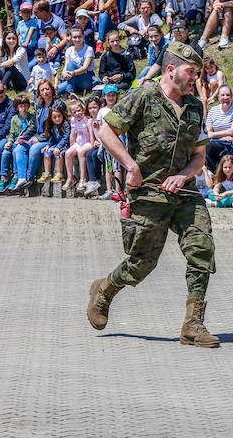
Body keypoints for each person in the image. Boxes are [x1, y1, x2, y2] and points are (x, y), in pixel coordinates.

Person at [85, 40, 219, 348]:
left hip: (185, 193)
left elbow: (199, 155)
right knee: (142, 263)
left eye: (198, 72)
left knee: (201, 248)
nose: (195, 78)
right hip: (148, 194)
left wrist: (184, 175)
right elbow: (106, 131)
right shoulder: (144, 97)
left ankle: (193, 324)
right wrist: (130, 166)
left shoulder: (195, 106)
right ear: (171, 70)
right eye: (191, 71)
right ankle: (105, 289)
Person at [0, 94, 34, 193]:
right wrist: (9, 142)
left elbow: (33, 133)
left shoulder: (32, 118)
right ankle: (3, 178)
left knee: (16, 151)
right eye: (21, 106)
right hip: (15, 142)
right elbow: (11, 133)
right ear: (17, 107)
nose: (23, 108)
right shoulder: (14, 119)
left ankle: (16, 176)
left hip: (26, 143)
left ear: (28, 106)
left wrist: (22, 140)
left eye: (25, 105)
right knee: (5, 152)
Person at [205, 86, 233, 172]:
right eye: (222, 95)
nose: (225, 97)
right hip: (217, 141)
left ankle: (217, 174)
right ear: (218, 96)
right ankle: (216, 174)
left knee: (209, 146)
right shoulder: (213, 110)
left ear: (231, 96)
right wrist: (221, 138)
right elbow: (208, 132)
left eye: (228, 95)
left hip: (232, 143)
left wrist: (213, 135)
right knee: (204, 146)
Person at [62, 98, 95, 192]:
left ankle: (83, 178)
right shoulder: (73, 120)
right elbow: (73, 135)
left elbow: (91, 134)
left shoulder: (88, 120)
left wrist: (92, 146)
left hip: (88, 142)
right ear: (72, 114)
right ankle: (70, 177)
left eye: (79, 110)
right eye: (74, 112)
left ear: (83, 110)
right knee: (68, 153)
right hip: (79, 142)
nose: (77, 113)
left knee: (81, 152)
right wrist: (73, 147)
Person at [35, 104, 70, 184]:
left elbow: (66, 137)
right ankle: (47, 174)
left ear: (63, 115)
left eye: (59, 116)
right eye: (54, 117)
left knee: (59, 152)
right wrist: (48, 145)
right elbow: (52, 138)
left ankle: (60, 173)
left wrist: (58, 147)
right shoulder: (53, 126)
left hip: (65, 144)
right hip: (57, 144)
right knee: (47, 152)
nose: (57, 119)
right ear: (51, 118)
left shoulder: (65, 124)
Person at [57, 28, 96, 96]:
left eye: (79, 37)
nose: (77, 39)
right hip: (72, 78)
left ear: (83, 36)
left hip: (86, 79)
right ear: (71, 38)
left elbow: (85, 68)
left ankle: (69, 91)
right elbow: (65, 67)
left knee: (71, 64)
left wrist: (73, 73)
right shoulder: (69, 50)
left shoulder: (89, 49)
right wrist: (64, 73)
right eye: (75, 37)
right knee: (55, 89)